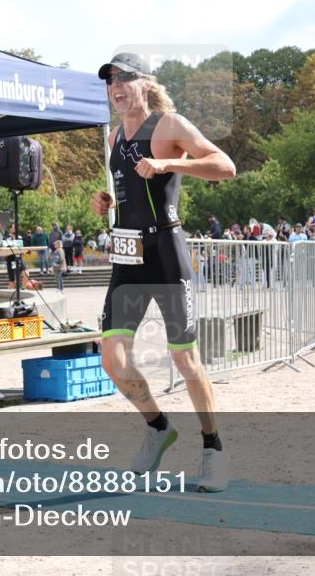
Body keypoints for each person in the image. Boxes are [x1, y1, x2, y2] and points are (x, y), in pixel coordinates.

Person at [91, 52, 236, 492]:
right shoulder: (114, 136)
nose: (115, 88)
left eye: (122, 79)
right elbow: (130, 188)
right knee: (112, 359)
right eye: (109, 82)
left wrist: (171, 163)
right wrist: (107, 202)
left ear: (144, 83)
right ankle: (157, 428)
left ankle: (213, 450)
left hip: (167, 252)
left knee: (185, 359)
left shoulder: (169, 125)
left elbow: (225, 166)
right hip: (128, 254)